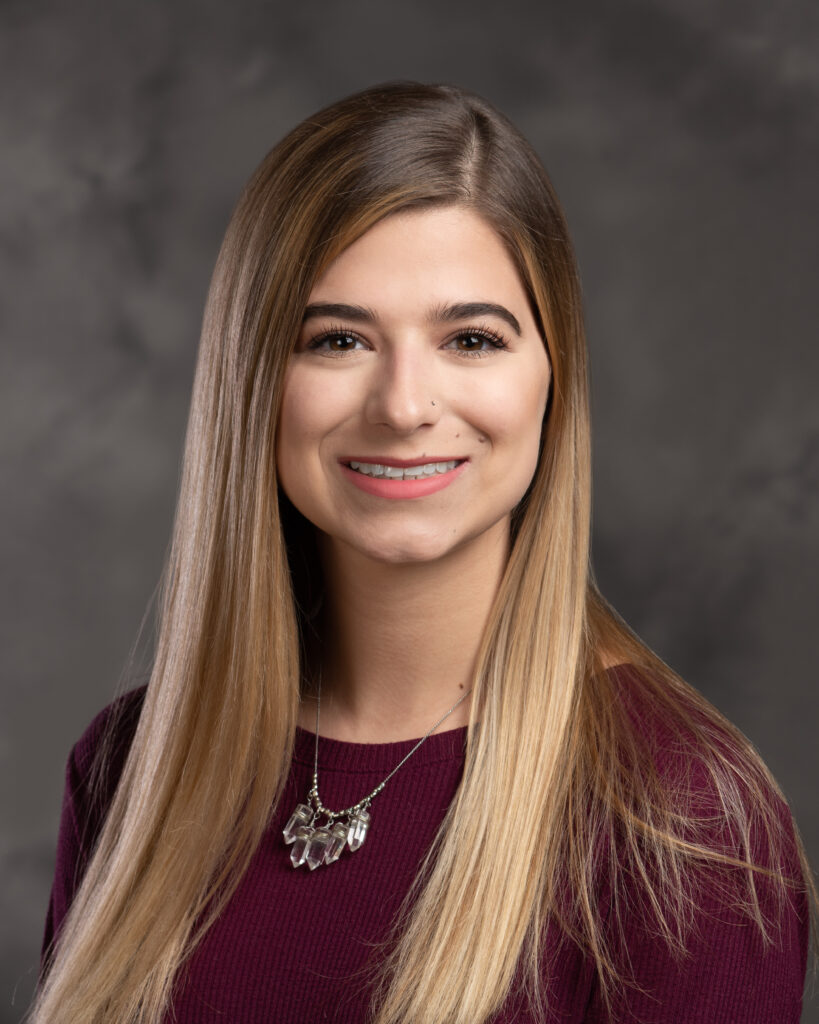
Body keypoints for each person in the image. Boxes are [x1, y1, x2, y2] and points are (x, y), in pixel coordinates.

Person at [32, 81, 814, 1024]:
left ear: (553, 378)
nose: (404, 406)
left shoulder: (679, 817)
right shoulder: (129, 768)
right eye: (337, 340)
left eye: (470, 339)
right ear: (250, 381)